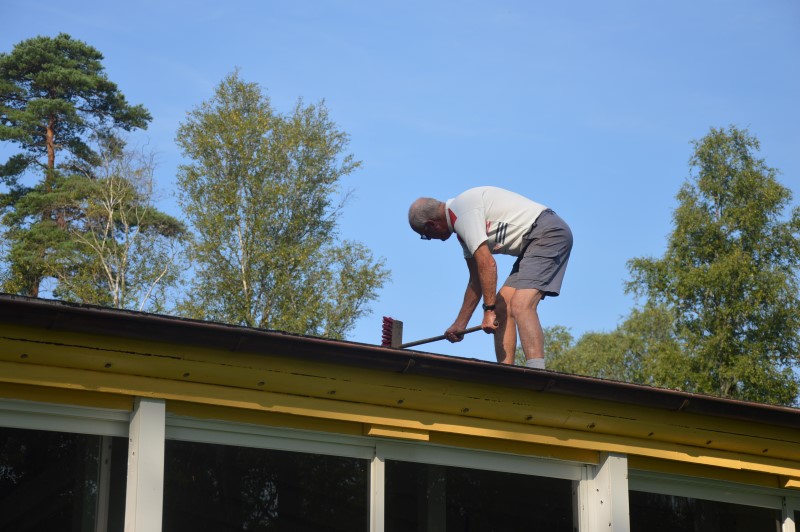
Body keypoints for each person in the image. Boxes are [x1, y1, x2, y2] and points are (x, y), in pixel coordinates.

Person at [408, 186, 572, 369]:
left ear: (431, 225)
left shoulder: (463, 213)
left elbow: (488, 265)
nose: (430, 238)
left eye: (425, 236)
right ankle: (506, 373)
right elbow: (476, 279)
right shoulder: (461, 225)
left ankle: (537, 372)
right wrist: (460, 323)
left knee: (521, 304)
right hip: (531, 246)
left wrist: (488, 311)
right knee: (502, 306)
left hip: (548, 234)